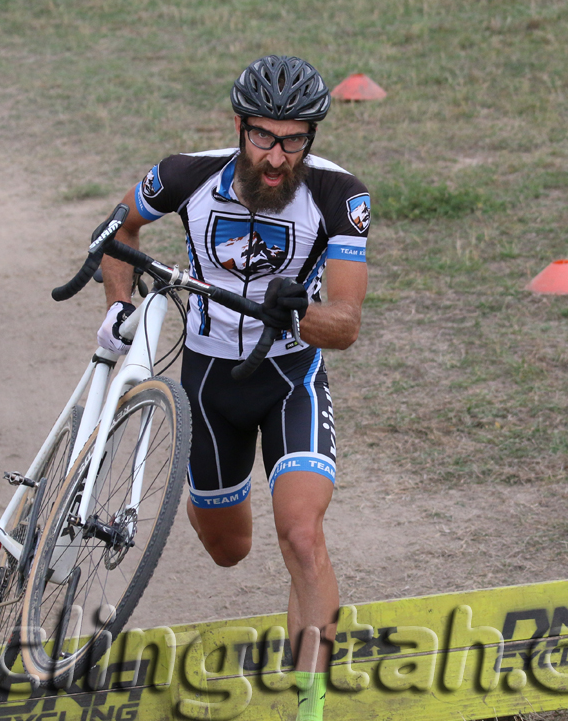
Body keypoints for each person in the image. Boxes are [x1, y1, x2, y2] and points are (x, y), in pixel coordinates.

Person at [97, 55, 369, 721]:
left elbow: (346, 322)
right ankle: (208, 499)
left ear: (313, 135)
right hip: (209, 382)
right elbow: (118, 232)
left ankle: (310, 706)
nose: (278, 157)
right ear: (240, 126)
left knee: (301, 533)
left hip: (289, 379)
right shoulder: (187, 174)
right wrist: (117, 309)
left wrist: (297, 314)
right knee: (230, 549)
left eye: (295, 139)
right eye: (264, 137)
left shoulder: (339, 196)